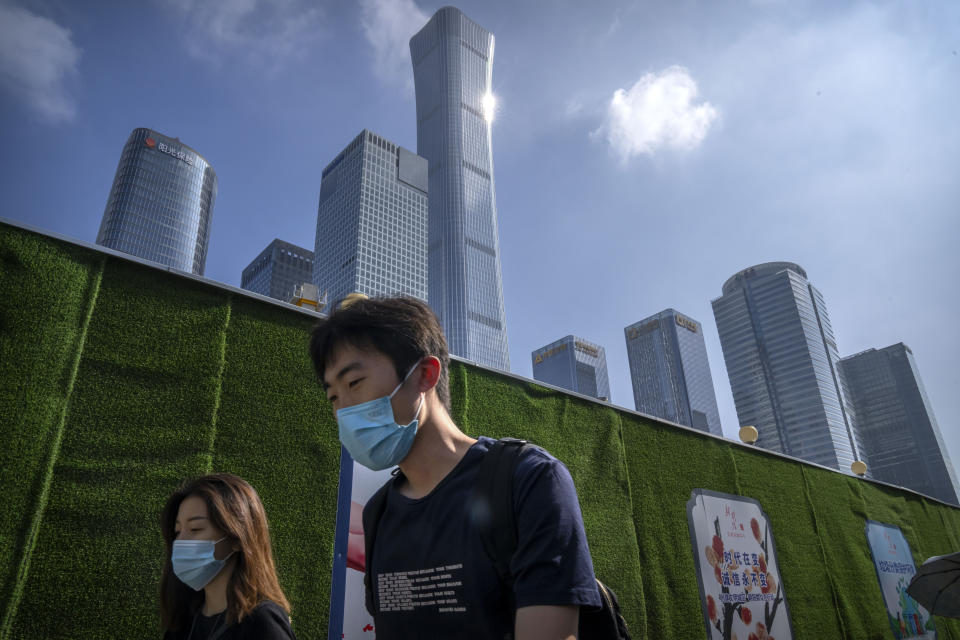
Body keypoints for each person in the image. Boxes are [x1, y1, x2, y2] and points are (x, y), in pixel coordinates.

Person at [309, 296, 601, 640]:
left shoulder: (528, 479)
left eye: (354, 383)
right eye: (333, 398)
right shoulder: (378, 513)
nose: (344, 412)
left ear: (425, 375)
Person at [160, 473, 297, 639]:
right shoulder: (183, 624)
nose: (180, 542)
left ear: (237, 538)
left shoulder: (261, 622)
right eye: (177, 531)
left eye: (195, 529)